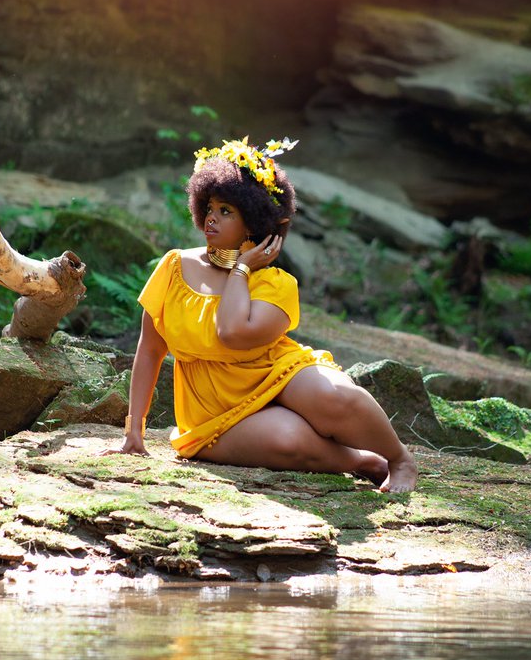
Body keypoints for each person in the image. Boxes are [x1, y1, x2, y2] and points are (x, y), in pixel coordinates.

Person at [112, 137, 418, 493]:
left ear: (254, 224)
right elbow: (150, 350)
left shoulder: (276, 283)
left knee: (337, 396)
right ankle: (363, 461)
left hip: (277, 375)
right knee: (289, 440)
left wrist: (240, 269)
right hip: (214, 413)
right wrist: (134, 431)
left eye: (227, 211)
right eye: (210, 207)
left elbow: (232, 331)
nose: (211, 217)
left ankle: (399, 459)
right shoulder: (175, 266)